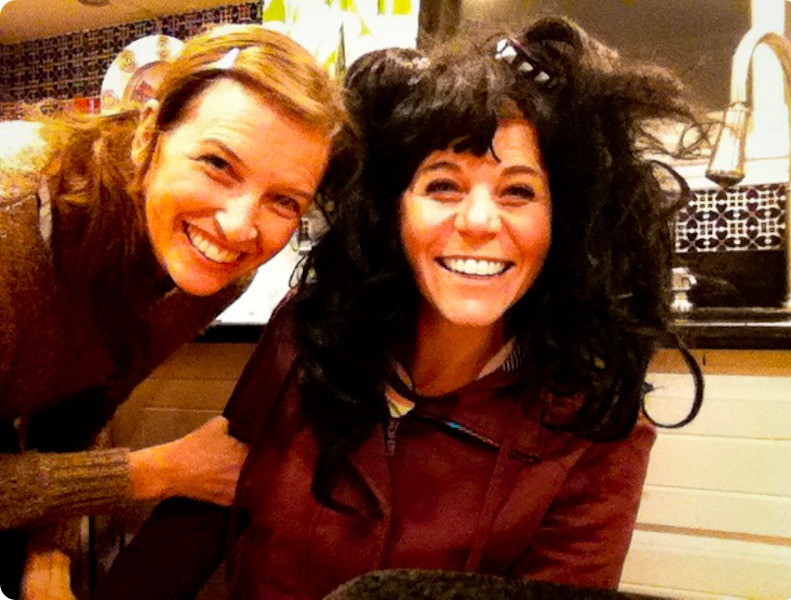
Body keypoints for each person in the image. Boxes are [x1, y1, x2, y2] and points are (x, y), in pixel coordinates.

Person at [98, 16, 703, 599]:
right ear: (392, 210)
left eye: (518, 191)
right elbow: (201, 509)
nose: (479, 221)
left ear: (561, 221)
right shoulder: (309, 329)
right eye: (443, 185)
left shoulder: (595, 432)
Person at [0, 22, 348, 600]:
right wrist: (161, 470)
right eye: (218, 164)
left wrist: (47, 552)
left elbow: (75, 411)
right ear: (148, 136)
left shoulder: (213, 271)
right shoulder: (12, 236)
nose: (238, 226)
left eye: (284, 200)